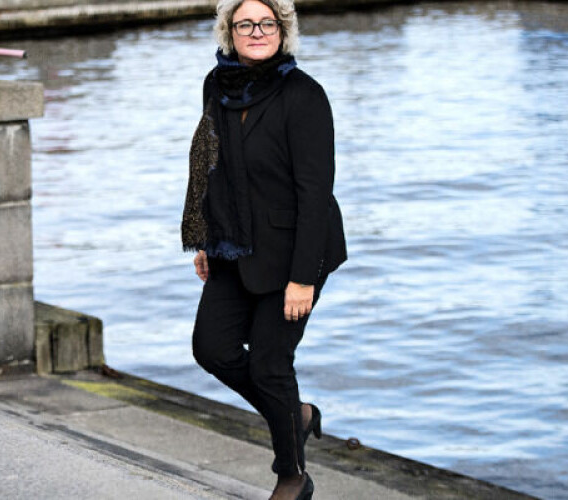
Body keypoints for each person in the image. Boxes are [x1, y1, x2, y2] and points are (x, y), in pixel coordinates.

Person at [181, 0, 347, 498]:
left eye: (267, 23)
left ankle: (292, 476)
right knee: (211, 349)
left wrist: (303, 278)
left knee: (270, 365)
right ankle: (295, 414)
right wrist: (208, 238)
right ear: (229, 31)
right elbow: (213, 166)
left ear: (284, 30)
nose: (257, 31)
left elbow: (314, 193)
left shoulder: (305, 95)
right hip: (234, 242)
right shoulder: (217, 83)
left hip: (298, 248)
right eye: (245, 23)